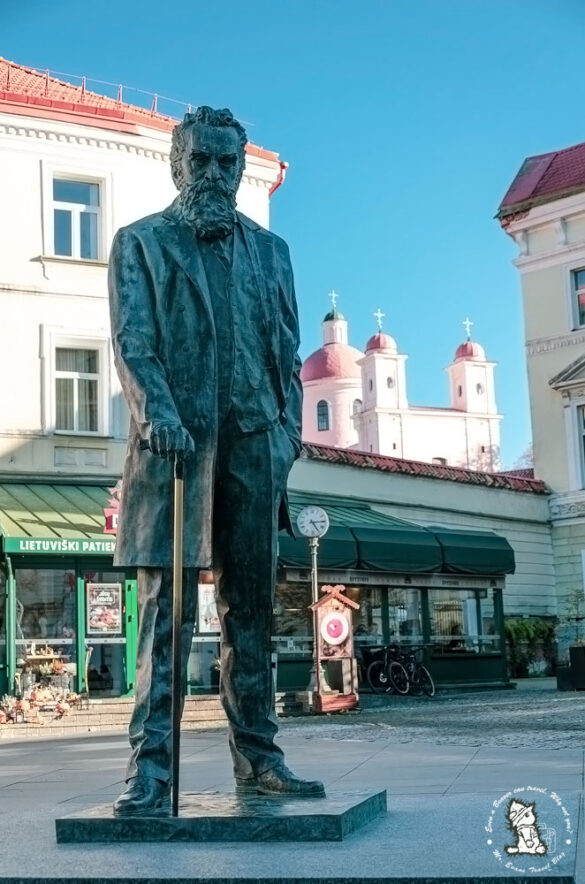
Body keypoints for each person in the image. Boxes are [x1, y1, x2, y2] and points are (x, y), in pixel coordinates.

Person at [109, 106, 324, 816]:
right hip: (177, 451)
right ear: (178, 164)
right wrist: (159, 415)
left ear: (239, 168)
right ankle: (150, 771)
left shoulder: (273, 252)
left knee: (253, 613)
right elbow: (133, 343)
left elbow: (286, 353)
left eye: (225, 163)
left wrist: (287, 431)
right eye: (200, 160)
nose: (213, 174)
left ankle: (260, 758)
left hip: (256, 444)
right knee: (165, 617)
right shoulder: (140, 242)